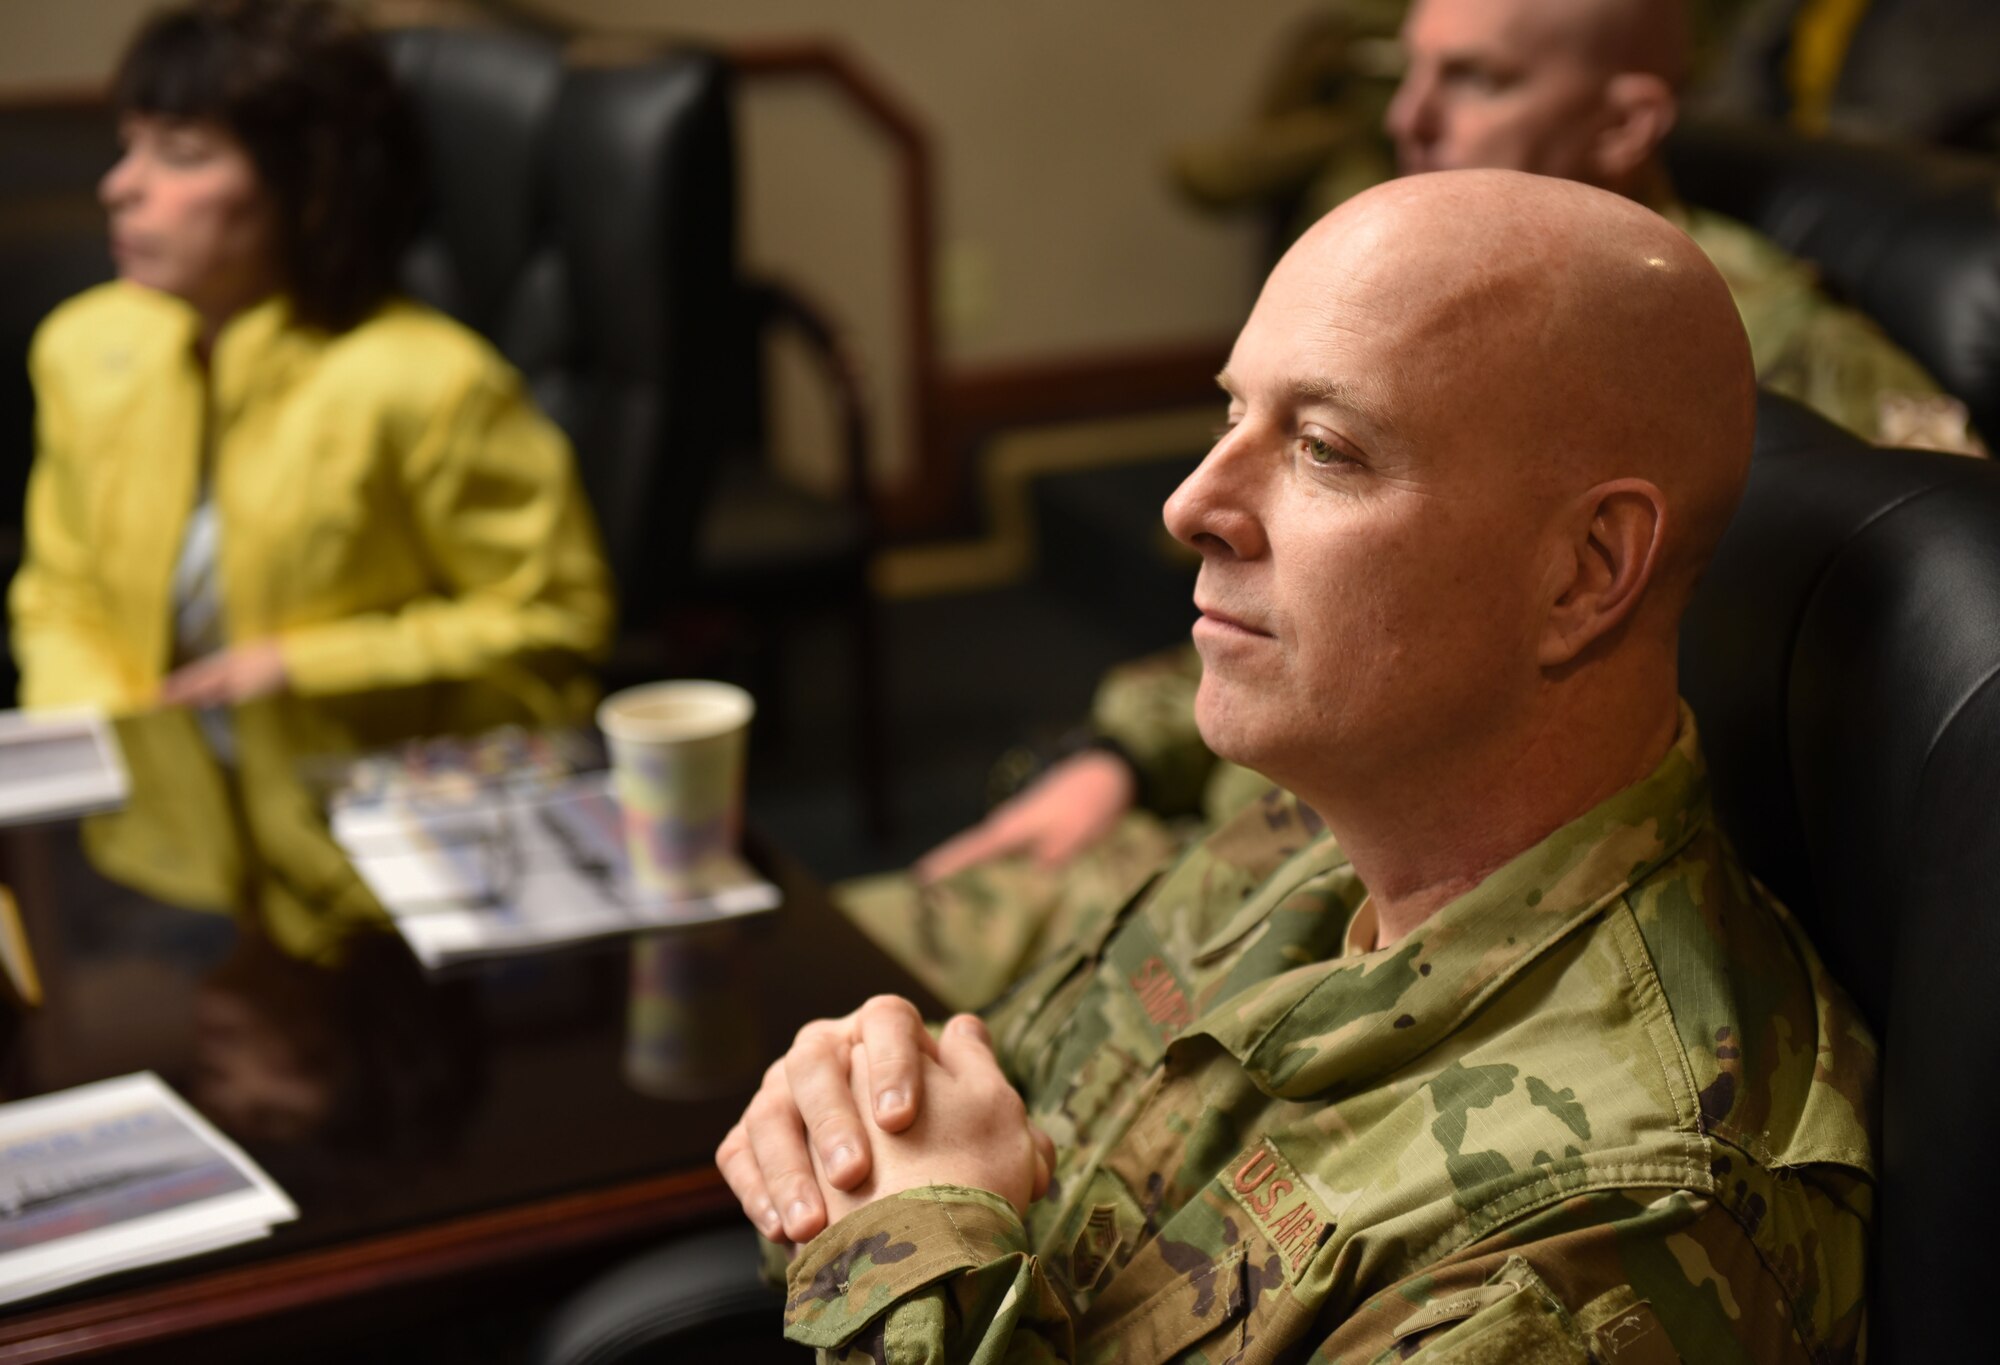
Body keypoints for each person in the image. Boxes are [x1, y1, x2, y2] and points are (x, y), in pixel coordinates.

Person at [719, 170, 1876, 1362]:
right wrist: (856, 1127)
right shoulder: (1312, 823)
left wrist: (906, 1253)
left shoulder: (1623, 1216)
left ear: (1584, 573)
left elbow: (927, 1227)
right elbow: (970, 1119)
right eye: (1232, 416)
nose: (1189, 505)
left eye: (1324, 449)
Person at [845, 0, 1976, 1013]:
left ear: (1627, 124)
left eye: (1477, 79)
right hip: (1279, 829)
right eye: (1408, 70)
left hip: (1472, 879)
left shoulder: (1779, 362)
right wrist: (1126, 747)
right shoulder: (1391, 261)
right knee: (787, 977)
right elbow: (1301, 558)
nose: (1411, 117)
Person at [8, 0, 613, 720]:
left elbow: (558, 616)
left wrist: (307, 666)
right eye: (128, 146)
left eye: (181, 155)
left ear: (309, 189)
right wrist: (99, 738)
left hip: (347, 798)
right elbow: (59, 596)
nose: (120, 187)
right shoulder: (83, 349)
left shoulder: (430, 381)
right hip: (149, 809)